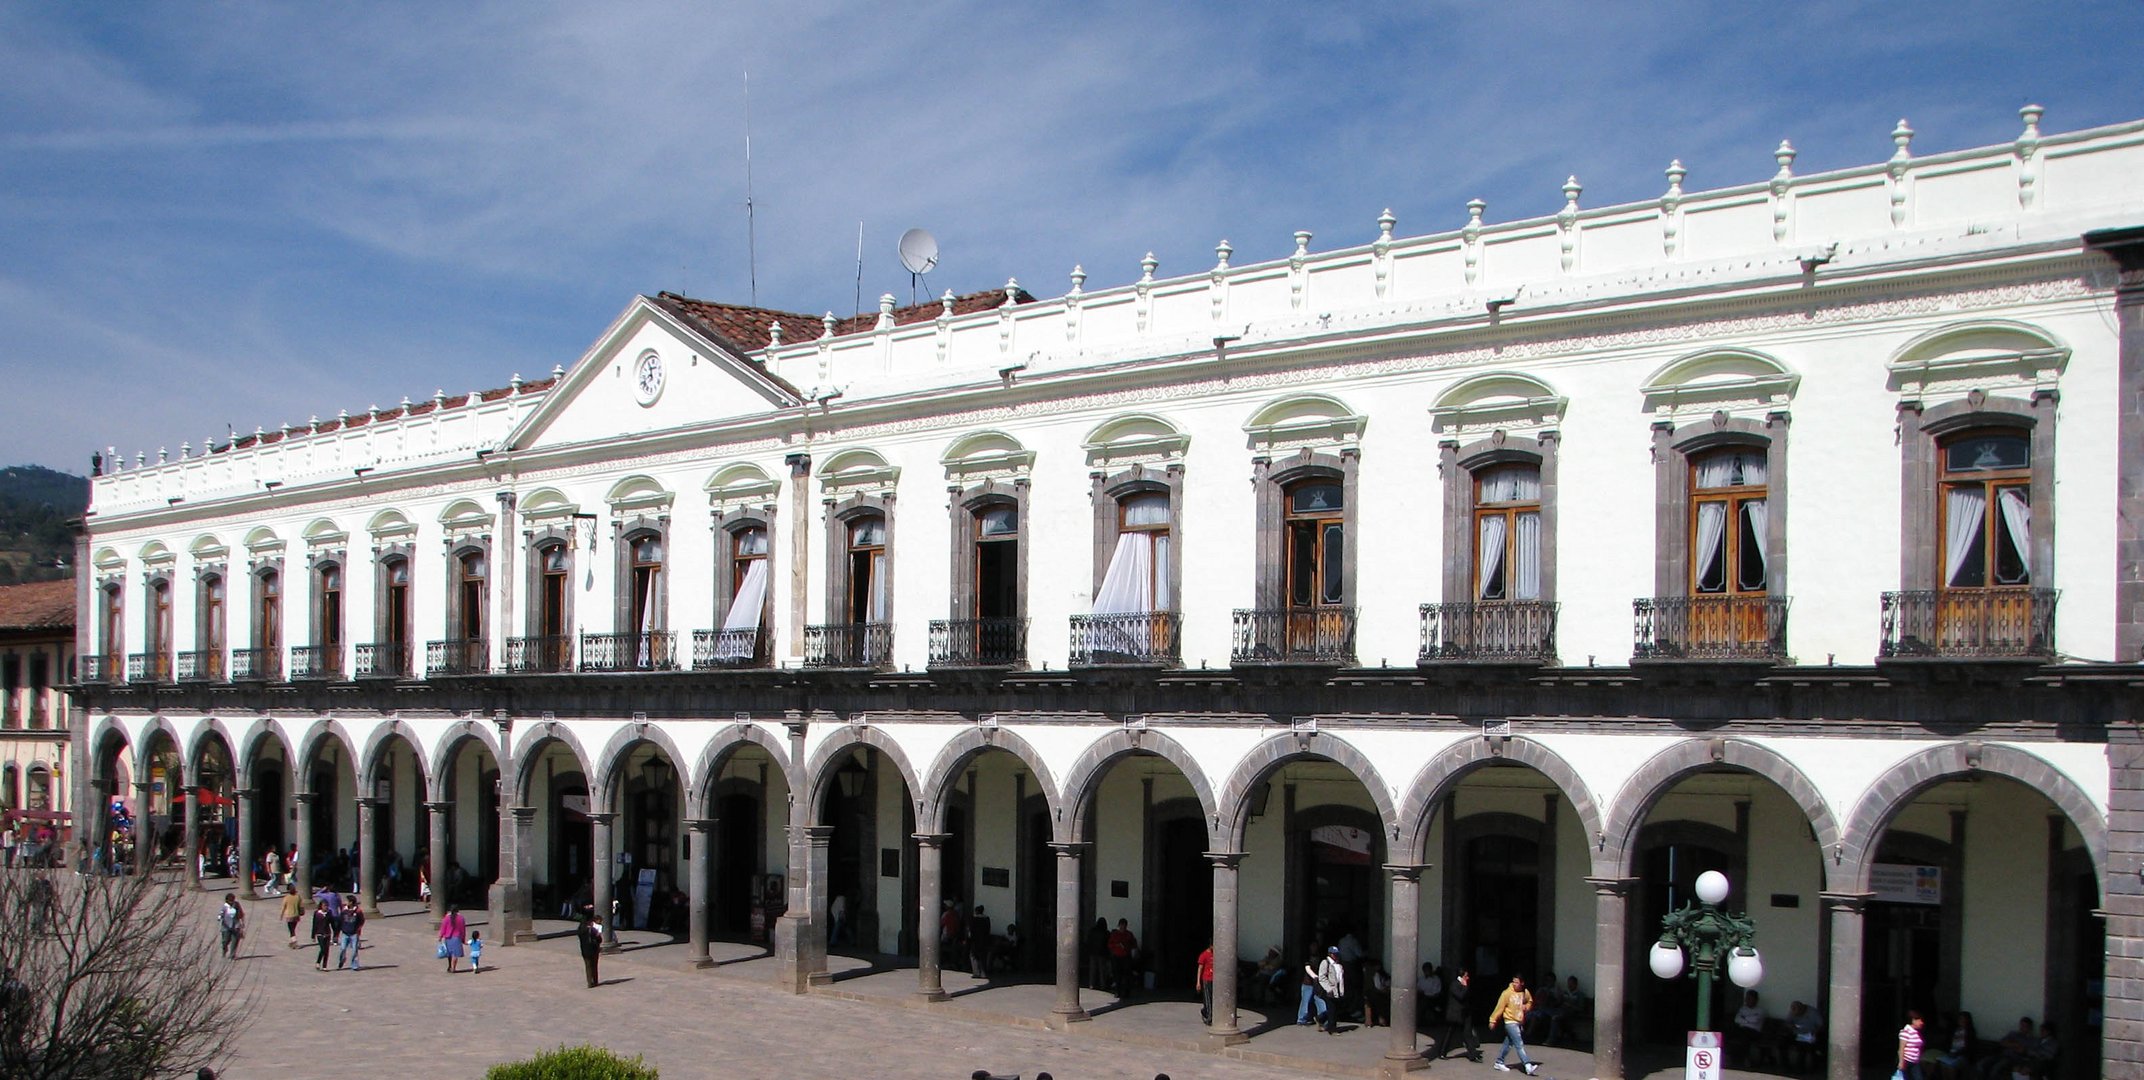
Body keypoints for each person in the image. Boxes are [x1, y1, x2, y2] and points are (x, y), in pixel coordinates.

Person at [1490, 974, 1539, 1074]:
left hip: (1519, 1021)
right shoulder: (1506, 993)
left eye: (1517, 982)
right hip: (1510, 1021)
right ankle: (1527, 1065)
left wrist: (1527, 1007)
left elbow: (1530, 1001)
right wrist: (1493, 1020)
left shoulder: (1525, 992)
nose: (1514, 984)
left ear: (1522, 983)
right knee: (1519, 1044)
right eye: (1513, 982)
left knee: (1508, 1043)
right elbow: (1499, 1007)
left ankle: (1499, 1061)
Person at [1929, 1011, 1976, 1080]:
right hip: (1951, 1053)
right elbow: (1948, 1043)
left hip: (1962, 1056)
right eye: (1960, 1019)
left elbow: (1969, 1048)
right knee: (1942, 1064)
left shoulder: (1970, 1032)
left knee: (1951, 1067)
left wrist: (1957, 1053)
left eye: (1963, 1019)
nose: (1961, 1021)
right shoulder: (1955, 1030)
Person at [1311, 945, 1346, 1034]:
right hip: (1329, 990)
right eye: (1334, 954)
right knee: (1332, 1009)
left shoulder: (1338, 964)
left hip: (1338, 990)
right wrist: (1328, 989)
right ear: (1330, 954)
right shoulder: (1325, 963)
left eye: (1337, 954)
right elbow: (1322, 977)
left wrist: (1341, 990)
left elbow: (1340, 978)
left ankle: (1320, 1018)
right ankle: (1332, 1029)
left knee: (1336, 1008)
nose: (1335, 956)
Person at [1729, 988, 1768, 1065]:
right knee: (1735, 1034)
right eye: (1746, 998)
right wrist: (1748, 1019)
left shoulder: (1760, 1010)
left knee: (1743, 1035)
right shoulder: (1743, 1009)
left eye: (1749, 998)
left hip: (1755, 1032)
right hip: (1742, 1030)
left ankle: (1744, 1059)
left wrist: (1744, 1018)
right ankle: (1737, 1059)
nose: (1747, 1000)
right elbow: (1737, 1019)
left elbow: (1755, 1020)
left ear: (1755, 1000)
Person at [1108, 919, 1138, 997]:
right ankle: (1118, 991)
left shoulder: (1129, 934)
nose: (1122, 927)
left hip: (1126, 956)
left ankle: (1126, 991)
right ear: (1119, 925)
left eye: (1124, 925)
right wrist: (1116, 946)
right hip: (1117, 956)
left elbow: (1134, 944)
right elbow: (1110, 945)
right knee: (1117, 975)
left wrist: (1130, 948)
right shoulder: (1114, 934)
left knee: (1126, 975)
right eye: (1121, 925)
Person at [578, 908, 605, 988]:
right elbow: (599, 939)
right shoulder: (593, 929)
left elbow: (580, 937)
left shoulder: (581, 928)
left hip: (584, 949)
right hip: (593, 949)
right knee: (594, 965)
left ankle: (589, 982)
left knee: (588, 966)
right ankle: (595, 980)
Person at [438, 904, 468, 974]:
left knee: (449, 953)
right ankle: (453, 968)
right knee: (455, 954)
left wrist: (440, 936)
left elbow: (443, 928)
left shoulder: (446, 918)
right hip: (457, 937)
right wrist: (463, 939)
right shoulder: (461, 918)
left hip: (448, 937)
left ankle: (449, 966)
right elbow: (463, 929)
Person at [1415, 962, 1444, 1032]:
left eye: (1428, 970)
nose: (1426, 972)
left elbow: (1436, 992)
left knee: (1424, 1002)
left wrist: (1425, 993)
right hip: (1422, 997)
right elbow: (1418, 988)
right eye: (1425, 970)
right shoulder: (1421, 979)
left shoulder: (1436, 979)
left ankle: (1418, 1022)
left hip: (1433, 998)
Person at [335, 902, 365, 970]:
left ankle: (354, 965)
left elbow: (361, 921)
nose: (346, 902)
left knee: (354, 950)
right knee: (343, 948)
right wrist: (337, 933)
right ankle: (342, 960)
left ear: (351, 902)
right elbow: (340, 921)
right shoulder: (344, 911)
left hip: (354, 934)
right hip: (345, 933)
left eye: (347, 901)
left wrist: (358, 929)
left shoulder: (358, 911)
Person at [1898, 1009, 1926, 1080]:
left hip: (1915, 1061)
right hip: (1906, 1061)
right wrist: (1901, 1062)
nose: (1922, 1023)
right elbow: (1901, 1048)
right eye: (1920, 1020)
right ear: (1913, 1020)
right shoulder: (1906, 1032)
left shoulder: (1916, 1032)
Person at [1085, 917, 1111, 989]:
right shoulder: (1106, 932)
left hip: (1093, 952)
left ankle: (1091, 984)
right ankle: (1103, 985)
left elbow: (1088, 941)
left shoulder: (1092, 931)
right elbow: (1108, 944)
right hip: (1102, 953)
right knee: (1102, 970)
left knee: (1092, 970)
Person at [216, 893, 245, 959]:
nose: (231, 902)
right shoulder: (225, 906)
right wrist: (219, 917)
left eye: (232, 901)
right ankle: (224, 950)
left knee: (235, 941)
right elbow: (221, 914)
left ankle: (232, 955)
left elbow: (241, 914)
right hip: (226, 927)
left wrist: (242, 923)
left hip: (235, 926)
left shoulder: (236, 905)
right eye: (230, 901)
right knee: (225, 940)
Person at [968, 905, 993, 978]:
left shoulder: (973, 919)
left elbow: (971, 930)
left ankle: (976, 972)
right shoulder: (986, 919)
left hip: (975, 940)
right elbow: (988, 929)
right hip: (984, 940)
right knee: (983, 957)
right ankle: (983, 973)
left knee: (973, 955)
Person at [1194, 940, 1215, 1025]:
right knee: (1207, 998)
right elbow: (1200, 968)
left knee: (1213, 998)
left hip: (1214, 979)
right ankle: (1209, 1017)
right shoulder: (1204, 955)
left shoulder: (1215, 955)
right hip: (1207, 979)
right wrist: (1198, 982)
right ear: (1210, 946)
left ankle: (1205, 1011)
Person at [310, 900, 335, 970]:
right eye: (324, 906)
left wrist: (335, 933)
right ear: (321, 906)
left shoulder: (329, 913)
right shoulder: (317, 913)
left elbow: (332, 923)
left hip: (327, 933)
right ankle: (318, 962)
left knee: (327, 950)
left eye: (327, 906)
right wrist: (313, 935)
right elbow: (314, 924)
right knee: (323, 949)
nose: (326, 907)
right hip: (319, 933)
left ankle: (324, 966)